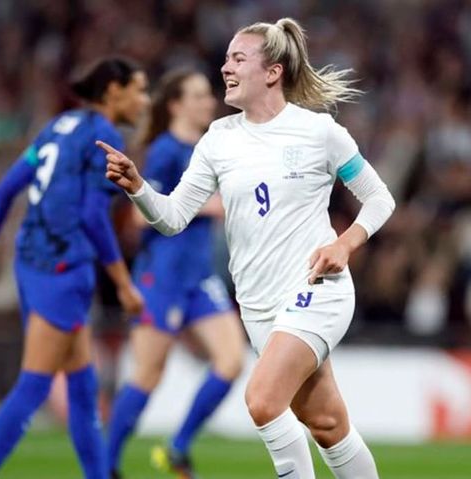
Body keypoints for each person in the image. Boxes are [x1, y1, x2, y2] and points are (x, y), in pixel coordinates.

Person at [99, 18, 394, 479]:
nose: (225, 68)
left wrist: (345, 242)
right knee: (327, 423)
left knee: (262, 401)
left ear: (272, 72)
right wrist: (138, 186)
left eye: (238, 58)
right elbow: (173, 217)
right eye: (226, 58)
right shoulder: (219, 139)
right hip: (258, 305)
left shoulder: (320, 132)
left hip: (317, 288)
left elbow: (380, 198)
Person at [0, 57, 148, 479]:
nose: (144, 99)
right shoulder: (105, 137)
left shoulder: (60, 126)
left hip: (32, 260)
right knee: (36, 384)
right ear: (113, 92)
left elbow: (9, 187)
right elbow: (93, 217)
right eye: (139, 89)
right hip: (61, 268)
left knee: (82, 385)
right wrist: (123, 283)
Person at [106, 69, 245, 479]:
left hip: (199, 279)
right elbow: (138, 213)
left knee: (231, 361)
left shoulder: (209, 148)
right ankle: (104, 466)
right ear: (176, 105)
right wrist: (208, 203)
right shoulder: (166, 151)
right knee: (148, 374)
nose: (209, 102)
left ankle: (178, 447)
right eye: (199, 96)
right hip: (162, 279)